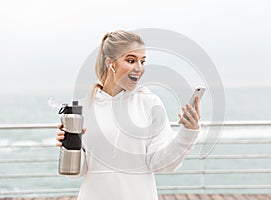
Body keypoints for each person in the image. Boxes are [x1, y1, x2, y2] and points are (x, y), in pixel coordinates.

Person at [56, 30, 201, 200]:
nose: (140, 68)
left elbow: (163, 165)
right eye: (131, 60)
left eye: (143, 61)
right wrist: (69, 147)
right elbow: (77, 172)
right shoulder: (83, 107)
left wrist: (188, 133)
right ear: (111, 64)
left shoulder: (150, 103)